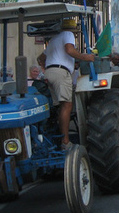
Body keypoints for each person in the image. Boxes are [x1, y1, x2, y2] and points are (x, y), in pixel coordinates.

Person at [38, 18, 95, 151]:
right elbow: (69, 50)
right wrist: (85, 57)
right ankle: (65, 141)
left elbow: (41, 58)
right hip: (61, 72)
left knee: (56, 106)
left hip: (49, 72)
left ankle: (55, 135)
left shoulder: (53, 40)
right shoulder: (67, 34)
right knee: (67, 104)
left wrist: (44, 68)